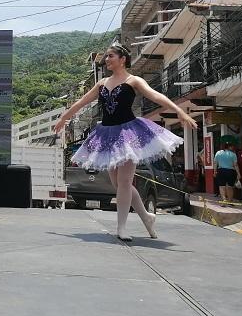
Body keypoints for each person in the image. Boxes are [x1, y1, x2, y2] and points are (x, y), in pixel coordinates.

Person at [52, 42, 197, 241]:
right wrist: (63, 118)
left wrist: (179, 111)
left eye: (110, 56)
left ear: (122, 59)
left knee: (125, 181)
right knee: (119, 184)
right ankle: (146, 217)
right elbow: (82, 101)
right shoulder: (102, 83)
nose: (106, 59)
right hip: (107, 135)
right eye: (106, 56)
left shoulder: (133, 80)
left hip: (128, 134)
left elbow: (155, 95)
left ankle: (121, 227)